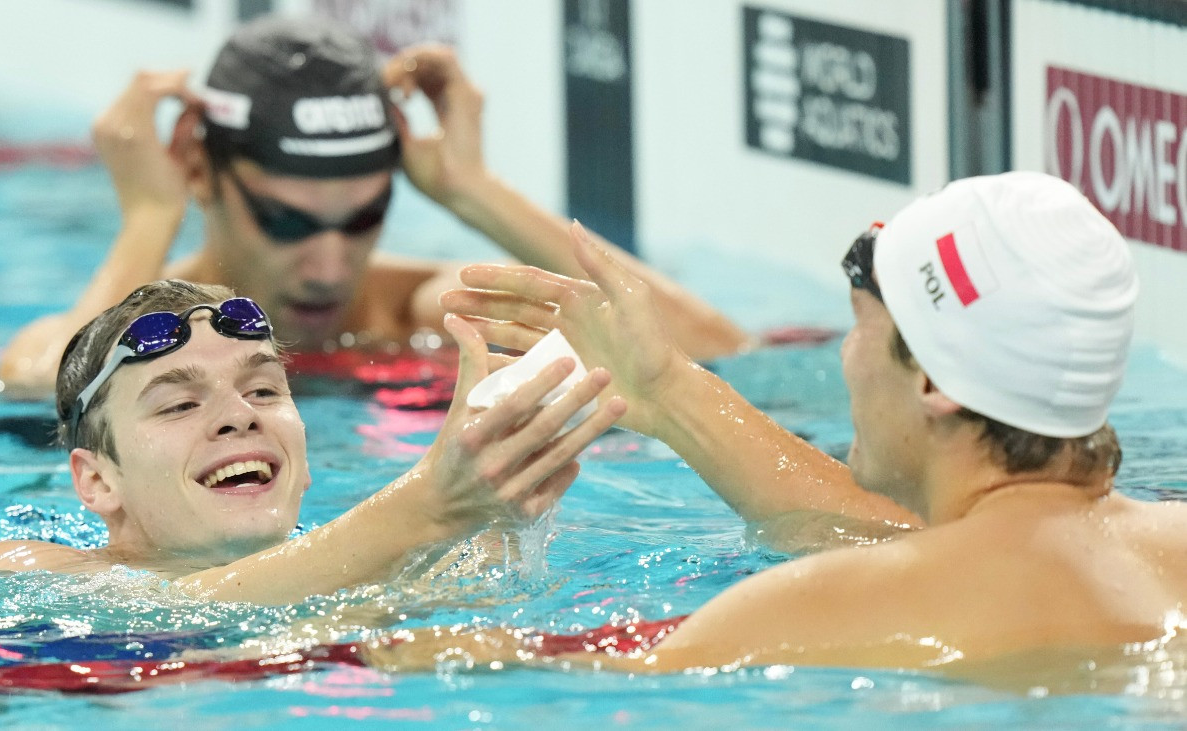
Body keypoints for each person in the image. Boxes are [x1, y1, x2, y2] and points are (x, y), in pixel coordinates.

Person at [405, 171, 1187, 670]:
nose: (847, 358)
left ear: (932, 380)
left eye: (860, 329)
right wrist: (669, 388)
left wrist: (424, 639)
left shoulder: (811, 607)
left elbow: (575, 690)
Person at [0, 14, 748, 390]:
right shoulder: (127, 334)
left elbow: (717, 354)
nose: (329, 265)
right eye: (286, 221)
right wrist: (148, 221)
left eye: (362, 219)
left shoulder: (425, 315)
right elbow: (47, 391)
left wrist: (474, 192)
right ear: (202, 173)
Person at [0, 280, 626, 605]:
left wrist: (499, 516)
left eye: (264, 391)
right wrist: (432, 504)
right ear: (96, 480)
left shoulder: (391, 574)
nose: (238, 417)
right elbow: (175, 610)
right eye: (181, 402)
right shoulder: (16, 569)